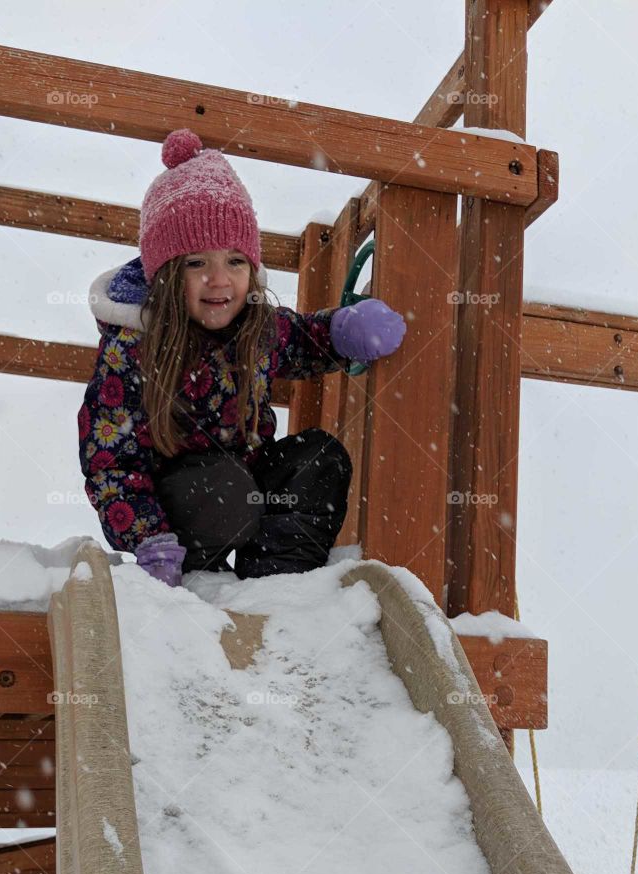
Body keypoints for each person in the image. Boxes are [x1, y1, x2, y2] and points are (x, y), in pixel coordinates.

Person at [78, 128, 406, 588]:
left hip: (246, 480)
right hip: (179, 506)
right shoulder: (133, 349)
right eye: (196, 263)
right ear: (166, 275)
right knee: (226, 489)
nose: (219, 280)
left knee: (319, 457)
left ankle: (275, 579)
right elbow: (112, 461)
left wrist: (344, 331)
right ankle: (199, 573)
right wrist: (150, 538)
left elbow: (302, 341)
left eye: (234, 261)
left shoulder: (255, 326)